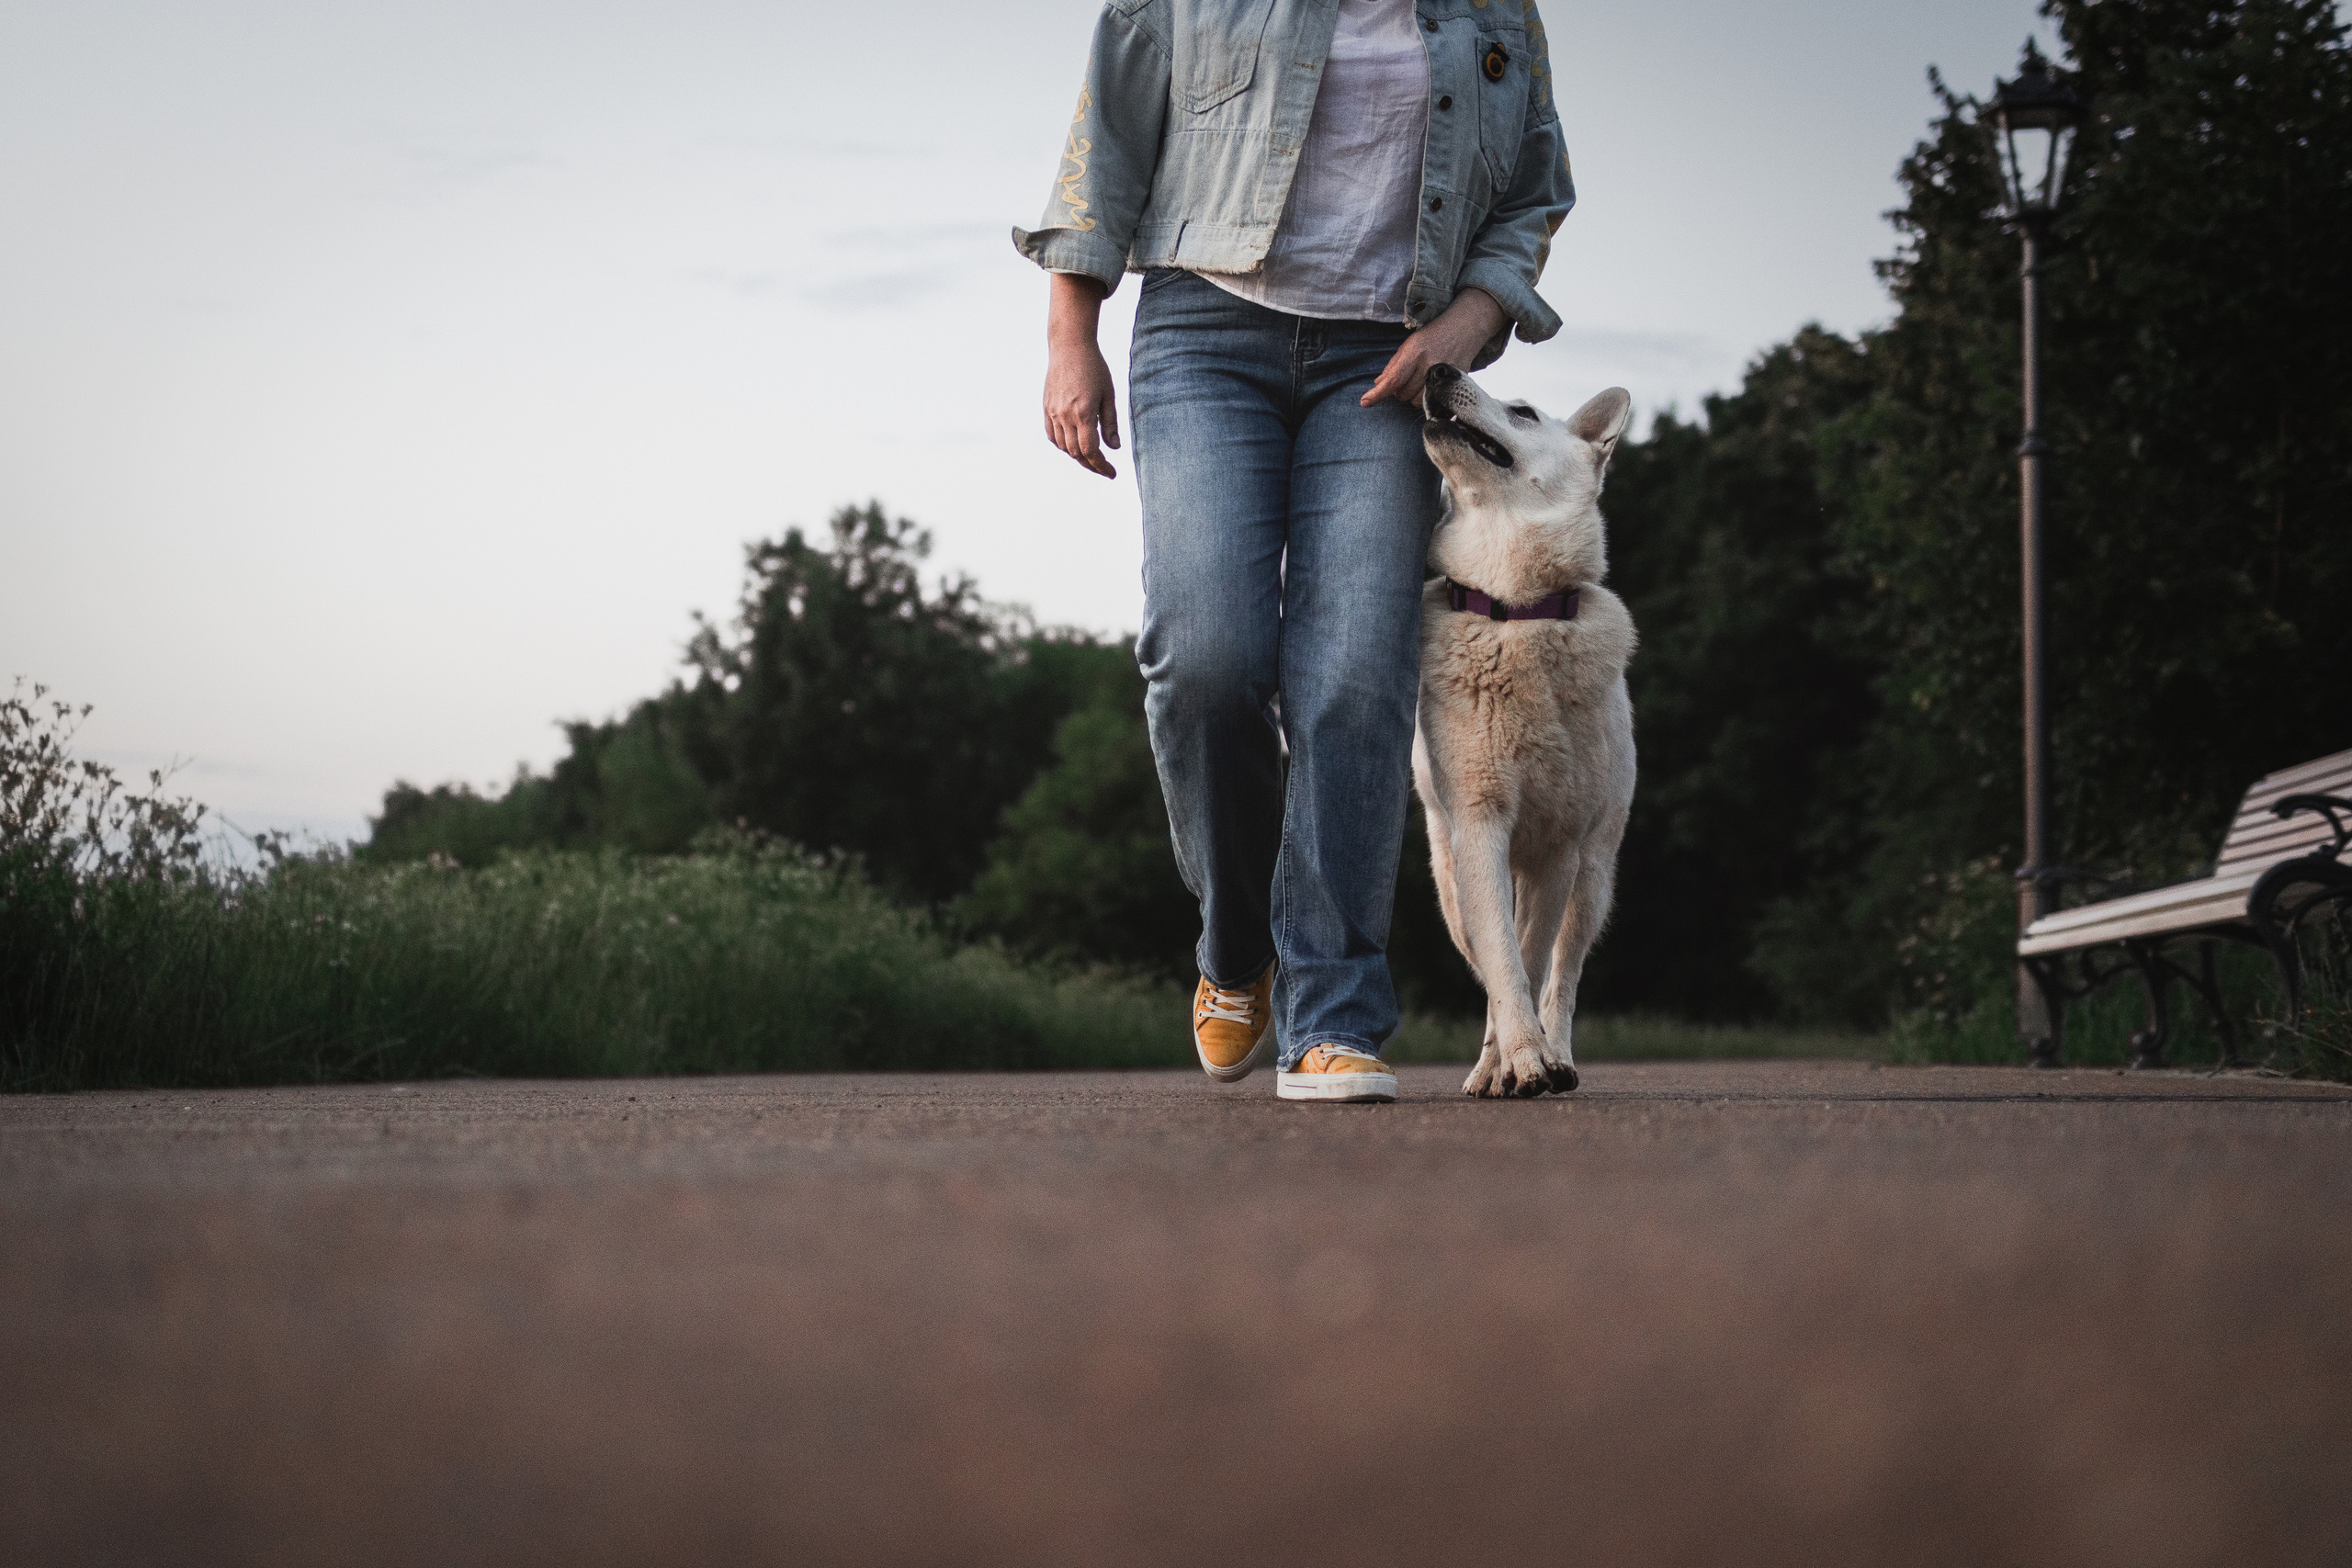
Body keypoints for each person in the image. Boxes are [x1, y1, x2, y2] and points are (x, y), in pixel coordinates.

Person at [1012, 0, 1574, 1103]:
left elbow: (1532, 193)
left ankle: (1332, 1014)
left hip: (1388, 364)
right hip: (1204, 329)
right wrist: (1070, 337)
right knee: (1209, 655)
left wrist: (1467, 326)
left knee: (1355, 681)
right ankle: (1235, 949)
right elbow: (1107, 141)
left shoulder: (1497, 13)